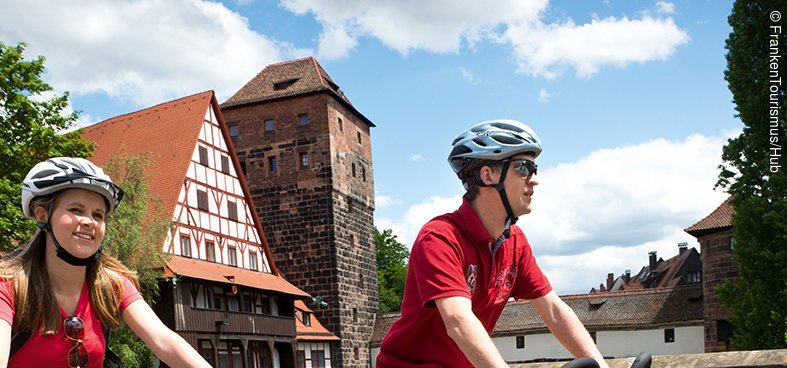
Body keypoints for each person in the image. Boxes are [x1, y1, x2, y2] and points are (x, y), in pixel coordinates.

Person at [376, 120, 608, 368]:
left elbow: (553, 310)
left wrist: (600, 365)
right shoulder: (440, 237)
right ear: (488, 175)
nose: (534, 179)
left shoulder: (514, 241)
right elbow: (458, 320)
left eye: (534, 168)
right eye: (523, 167)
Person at [0, 157, 211, 367]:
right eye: (76, 210)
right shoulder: (10, 287)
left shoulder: (110, 284)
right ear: (42, 215)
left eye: (98, 215)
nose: (89, 221)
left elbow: (164, 341)